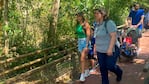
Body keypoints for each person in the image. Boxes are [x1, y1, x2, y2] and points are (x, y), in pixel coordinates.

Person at [94, 8, 123, 84]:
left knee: (110, 66)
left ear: (102, 14)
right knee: (103, 68)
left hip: (111, 49)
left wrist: (110, 49)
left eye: (97, 13)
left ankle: (119, 72)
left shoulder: (109, 23)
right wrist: (95, 48)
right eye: (95, 13)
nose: (95, 15)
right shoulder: (96, 25)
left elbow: (113, 36)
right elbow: (96, 37)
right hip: (100, 50)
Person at [75, 12, 91, 82]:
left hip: (85, 41)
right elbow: (77, 34)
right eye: (77, 16)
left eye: (79, 16)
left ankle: (82, 75)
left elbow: (88, 35)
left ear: (82, 17)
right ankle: (87, 70)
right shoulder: (77, 25)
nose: (78, 18)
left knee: (82, 58)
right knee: (84, 58)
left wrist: (86, 45)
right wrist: (77, 42)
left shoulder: (86, 24)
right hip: (79, 41)